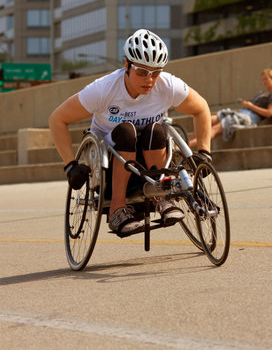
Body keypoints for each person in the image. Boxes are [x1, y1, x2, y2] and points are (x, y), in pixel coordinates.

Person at [49, 29, 212, 237]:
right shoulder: (103, 90)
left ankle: (162, 199)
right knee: (127, 131)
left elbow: (201, 108)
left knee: (157, 130)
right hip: (110, 153)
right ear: (126, 65)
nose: (150, 80)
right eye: (142, 72)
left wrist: (205, 152)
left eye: (155, 72)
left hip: (150, 151)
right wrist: (70, 164)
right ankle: (117, 209)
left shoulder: (168, 85)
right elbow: (57, 119)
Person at [189, 68, 272, 146]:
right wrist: (247, 105)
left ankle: (185, 148)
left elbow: (269, 113)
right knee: (205, 119)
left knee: (213, 129)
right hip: (243, 113)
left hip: (250, 117)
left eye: (266, 79)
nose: (264, 82)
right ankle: (185, 145)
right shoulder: (263, 93)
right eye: (263, 79)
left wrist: (250, 106)